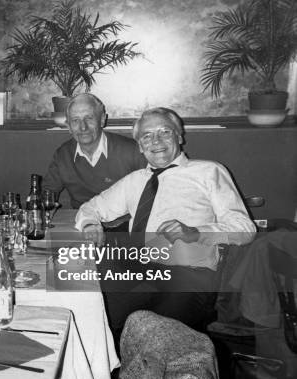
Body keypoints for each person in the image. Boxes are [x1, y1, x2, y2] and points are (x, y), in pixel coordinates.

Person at [74, 107, 256, 336]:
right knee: (90, 315)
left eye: (165, 132)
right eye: (147, 136)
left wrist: (196, 232)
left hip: (188, 275)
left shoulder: (209, 172)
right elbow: (90, 208)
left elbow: (245, 229)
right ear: (140, 146)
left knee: (158, 337)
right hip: (137, 270)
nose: (156, 140)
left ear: (179, 137)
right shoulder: (134, 181)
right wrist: (91, 224)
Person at [43, 93, 147, 209]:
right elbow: (47, 193)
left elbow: (152, 189)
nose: (83, 127)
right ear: (69, 126)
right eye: (75, 120)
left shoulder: (131, 150)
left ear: (102, 120)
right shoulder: (63, 154)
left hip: (125, 221)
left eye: (89, 118)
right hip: (81, 221)